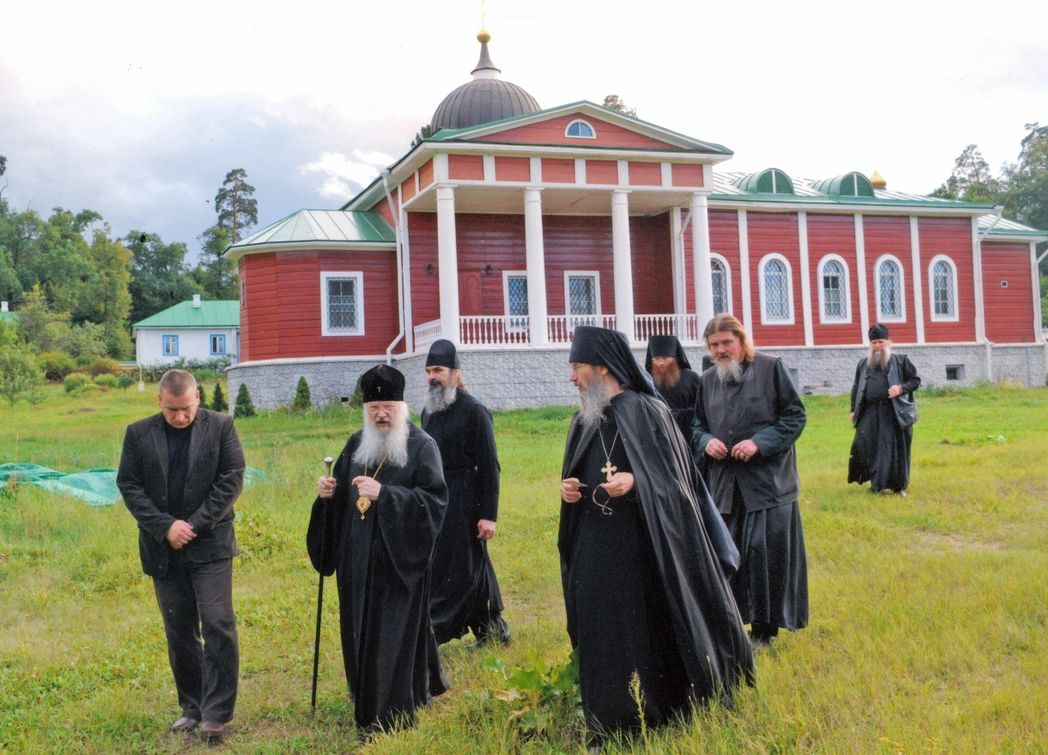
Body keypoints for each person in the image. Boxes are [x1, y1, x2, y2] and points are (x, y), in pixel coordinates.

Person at [559, 325, 753, 747]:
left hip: (644, 548)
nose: (572, 377)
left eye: (578, 367)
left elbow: (679, 485)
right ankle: (606, 719)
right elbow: (576, 471)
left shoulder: (648, 411)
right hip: (595, 543)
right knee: (601, 627)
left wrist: (637, 482)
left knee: (643, 627)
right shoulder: (583, 418)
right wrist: (568, 488)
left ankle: (655, 708)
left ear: (603, 367)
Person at [307, 364, 449, 736]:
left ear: (401, 407)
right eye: (373, 408)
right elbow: (342, 498)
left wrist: (385, 495)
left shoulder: (422, 446)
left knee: (389, 640)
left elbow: (435, 502)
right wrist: (327, 494)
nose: (381, 415)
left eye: (388, 407)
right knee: (359, 633)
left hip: (397, 564)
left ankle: (389, 715)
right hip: (356, 563)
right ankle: (366, 698)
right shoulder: (357, 444)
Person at [116, 369, 245, 745]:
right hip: (163, 548)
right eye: (172, 409)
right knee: (179, 630)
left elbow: (232, 479)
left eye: (186, 408)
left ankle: (217, 714)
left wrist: (193, 525)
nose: (180, 416)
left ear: (197, 398)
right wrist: (166, 527)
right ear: (159, 401)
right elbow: (129, 485)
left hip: (210, 544)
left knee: (217, 623)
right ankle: (193, 706)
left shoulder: (221, 426)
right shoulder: (138, 434)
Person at [693, 314, 808, 645]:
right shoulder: (707, 380)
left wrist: (759, 442)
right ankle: (733, 627)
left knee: (763, 557)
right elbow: (697, 426)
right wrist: (706, 442)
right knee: (730, 557)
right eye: (714, 345)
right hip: (726, 487)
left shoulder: (771, 369)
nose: (721, 350)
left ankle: (764, 631)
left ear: (742, 340)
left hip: (768, 484)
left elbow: (795, 417)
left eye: (727, 343)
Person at [421, 339, 511, 647]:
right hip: (437, 499)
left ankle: (433, 634)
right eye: (428, 371)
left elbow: (490, 466)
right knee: (470, 562)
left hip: (465, 500)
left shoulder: (475, 411)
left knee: (458, 566)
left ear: (455, 373)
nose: (432, 377)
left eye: (438, 370)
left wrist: (488, 515)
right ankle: (493, 629)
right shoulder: (428, 412)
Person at [848, 323, 921, 495]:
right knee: (870, 448)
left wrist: (900, 388)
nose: (877, 346)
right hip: (869, 412)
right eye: (874, 343)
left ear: (889, 343)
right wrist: (853, 410)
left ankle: (898, 487)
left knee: (896, 449)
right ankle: (877, 485)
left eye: (881, 342)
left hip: (894, 412)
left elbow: (915, 381)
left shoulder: (901, 361)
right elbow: (856, 387)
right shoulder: (863, 364)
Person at [644, 334, 701, 445]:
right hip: (658, 435)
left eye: (665, 359)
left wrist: (678, 414)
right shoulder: (647, 379)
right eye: (656, 359)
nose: (660, 363)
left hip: (687, 434)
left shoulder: (691, 377)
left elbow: (701, 407)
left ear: (675, 359)